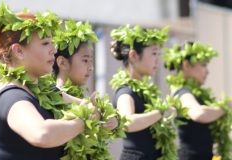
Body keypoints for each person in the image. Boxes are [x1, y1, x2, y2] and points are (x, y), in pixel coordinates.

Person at [0, 3, 92, 160]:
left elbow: (86, 105)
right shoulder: (12, 97)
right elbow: (42, 134)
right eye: (45, 43)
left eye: (52, 43)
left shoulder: (44, 90)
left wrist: (101, 113)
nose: (53, 49)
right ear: (18, 50)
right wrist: (83, 123)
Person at [52, 19, 121, 159]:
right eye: (85, 60)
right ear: (62, 63)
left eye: (91, 61)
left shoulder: (83, 98)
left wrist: (113, 121)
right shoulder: (50, 98)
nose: (91, 67)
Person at [109, 25, 177, 160]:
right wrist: (160, 112)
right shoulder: (125, 91)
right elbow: (127, 122)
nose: (158, 60)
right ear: (133, 55)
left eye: (159, 54)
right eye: (154, 53)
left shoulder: (143, 90)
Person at [163, 41, 227, 160]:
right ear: (186, 65)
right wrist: (225, 107)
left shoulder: (194, 93)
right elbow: (199, 114)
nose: (207, 71)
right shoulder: (181, 92)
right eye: (203, 65)